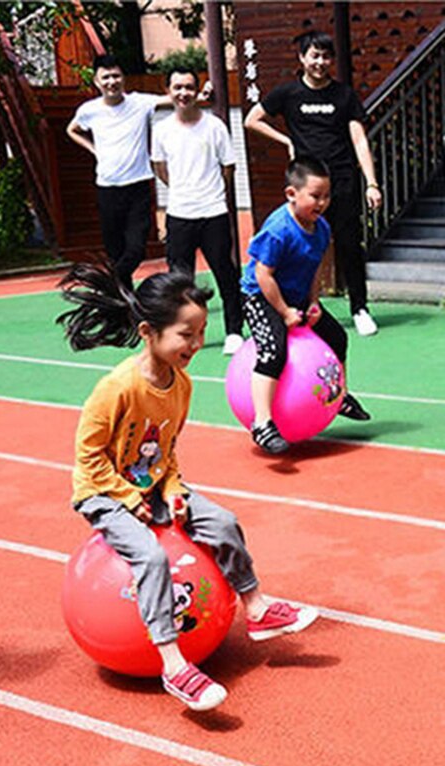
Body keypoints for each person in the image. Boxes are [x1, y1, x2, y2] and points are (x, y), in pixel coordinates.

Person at [57, 264, 319, 711]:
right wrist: (127, 498)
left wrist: (174, 487)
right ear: (148, 331)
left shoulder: (182, 384)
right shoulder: (116, 389)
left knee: (223, 521)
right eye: (185, 335)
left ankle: (256, 607)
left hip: (154, 486)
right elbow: (88, 460)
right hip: (104, 493)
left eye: (201, 333)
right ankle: (174, 663)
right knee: (152, 556)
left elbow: (166, 449)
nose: (196, 345)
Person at [244, 30, 382, 337]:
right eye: (314, 55)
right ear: (302, 58)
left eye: (325, 56)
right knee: (300, 246)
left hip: (341, 181)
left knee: (348, 244)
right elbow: (251, 119)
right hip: (305, 186)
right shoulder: (288, 94)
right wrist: (287, 141)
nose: (320, 62)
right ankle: (295, 307)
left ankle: (359, 308)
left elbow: (359, 139)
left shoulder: (343, 95)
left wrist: (372, 182)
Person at [241, 156, 372, 455]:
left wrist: (313, 302)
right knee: (274, 350)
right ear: (292, 193)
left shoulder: (321, 228)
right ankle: (262, 423)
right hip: (261, 296)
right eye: (315, 195)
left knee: (337, 337)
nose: (322, 202)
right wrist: (285, 312)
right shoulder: (278, 229)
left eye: (326, 195)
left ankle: (339, 396)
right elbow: (263, 275)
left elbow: (313, 268)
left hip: (297, 296)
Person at [152, 67, 245, 356]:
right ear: (168, 90)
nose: (183, 93)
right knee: (180, 281)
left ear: (197, 90)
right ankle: (184, 332)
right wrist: (182, 189)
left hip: (213, 212)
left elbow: (228, 166)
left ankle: (234, 331)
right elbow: (160, 167)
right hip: (179, 214)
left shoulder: (214, 125)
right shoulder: (161, 129)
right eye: (177, 87)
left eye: (189, 87)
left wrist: (210, 192)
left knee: (226, 274)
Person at [66, 54, 172, 290]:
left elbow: (172, 99)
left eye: (116, 75)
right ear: (96, 81)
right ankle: (123, 301)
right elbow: (72, 130)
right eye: (106, 77)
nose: (112, 81)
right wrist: (93, 149)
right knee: (115, 250)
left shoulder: (139, 103)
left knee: (136, 248)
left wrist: (202, 93)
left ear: (123, 78)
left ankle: (108, 282)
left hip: (139, 186)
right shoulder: (89, 110)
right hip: (107, 188)